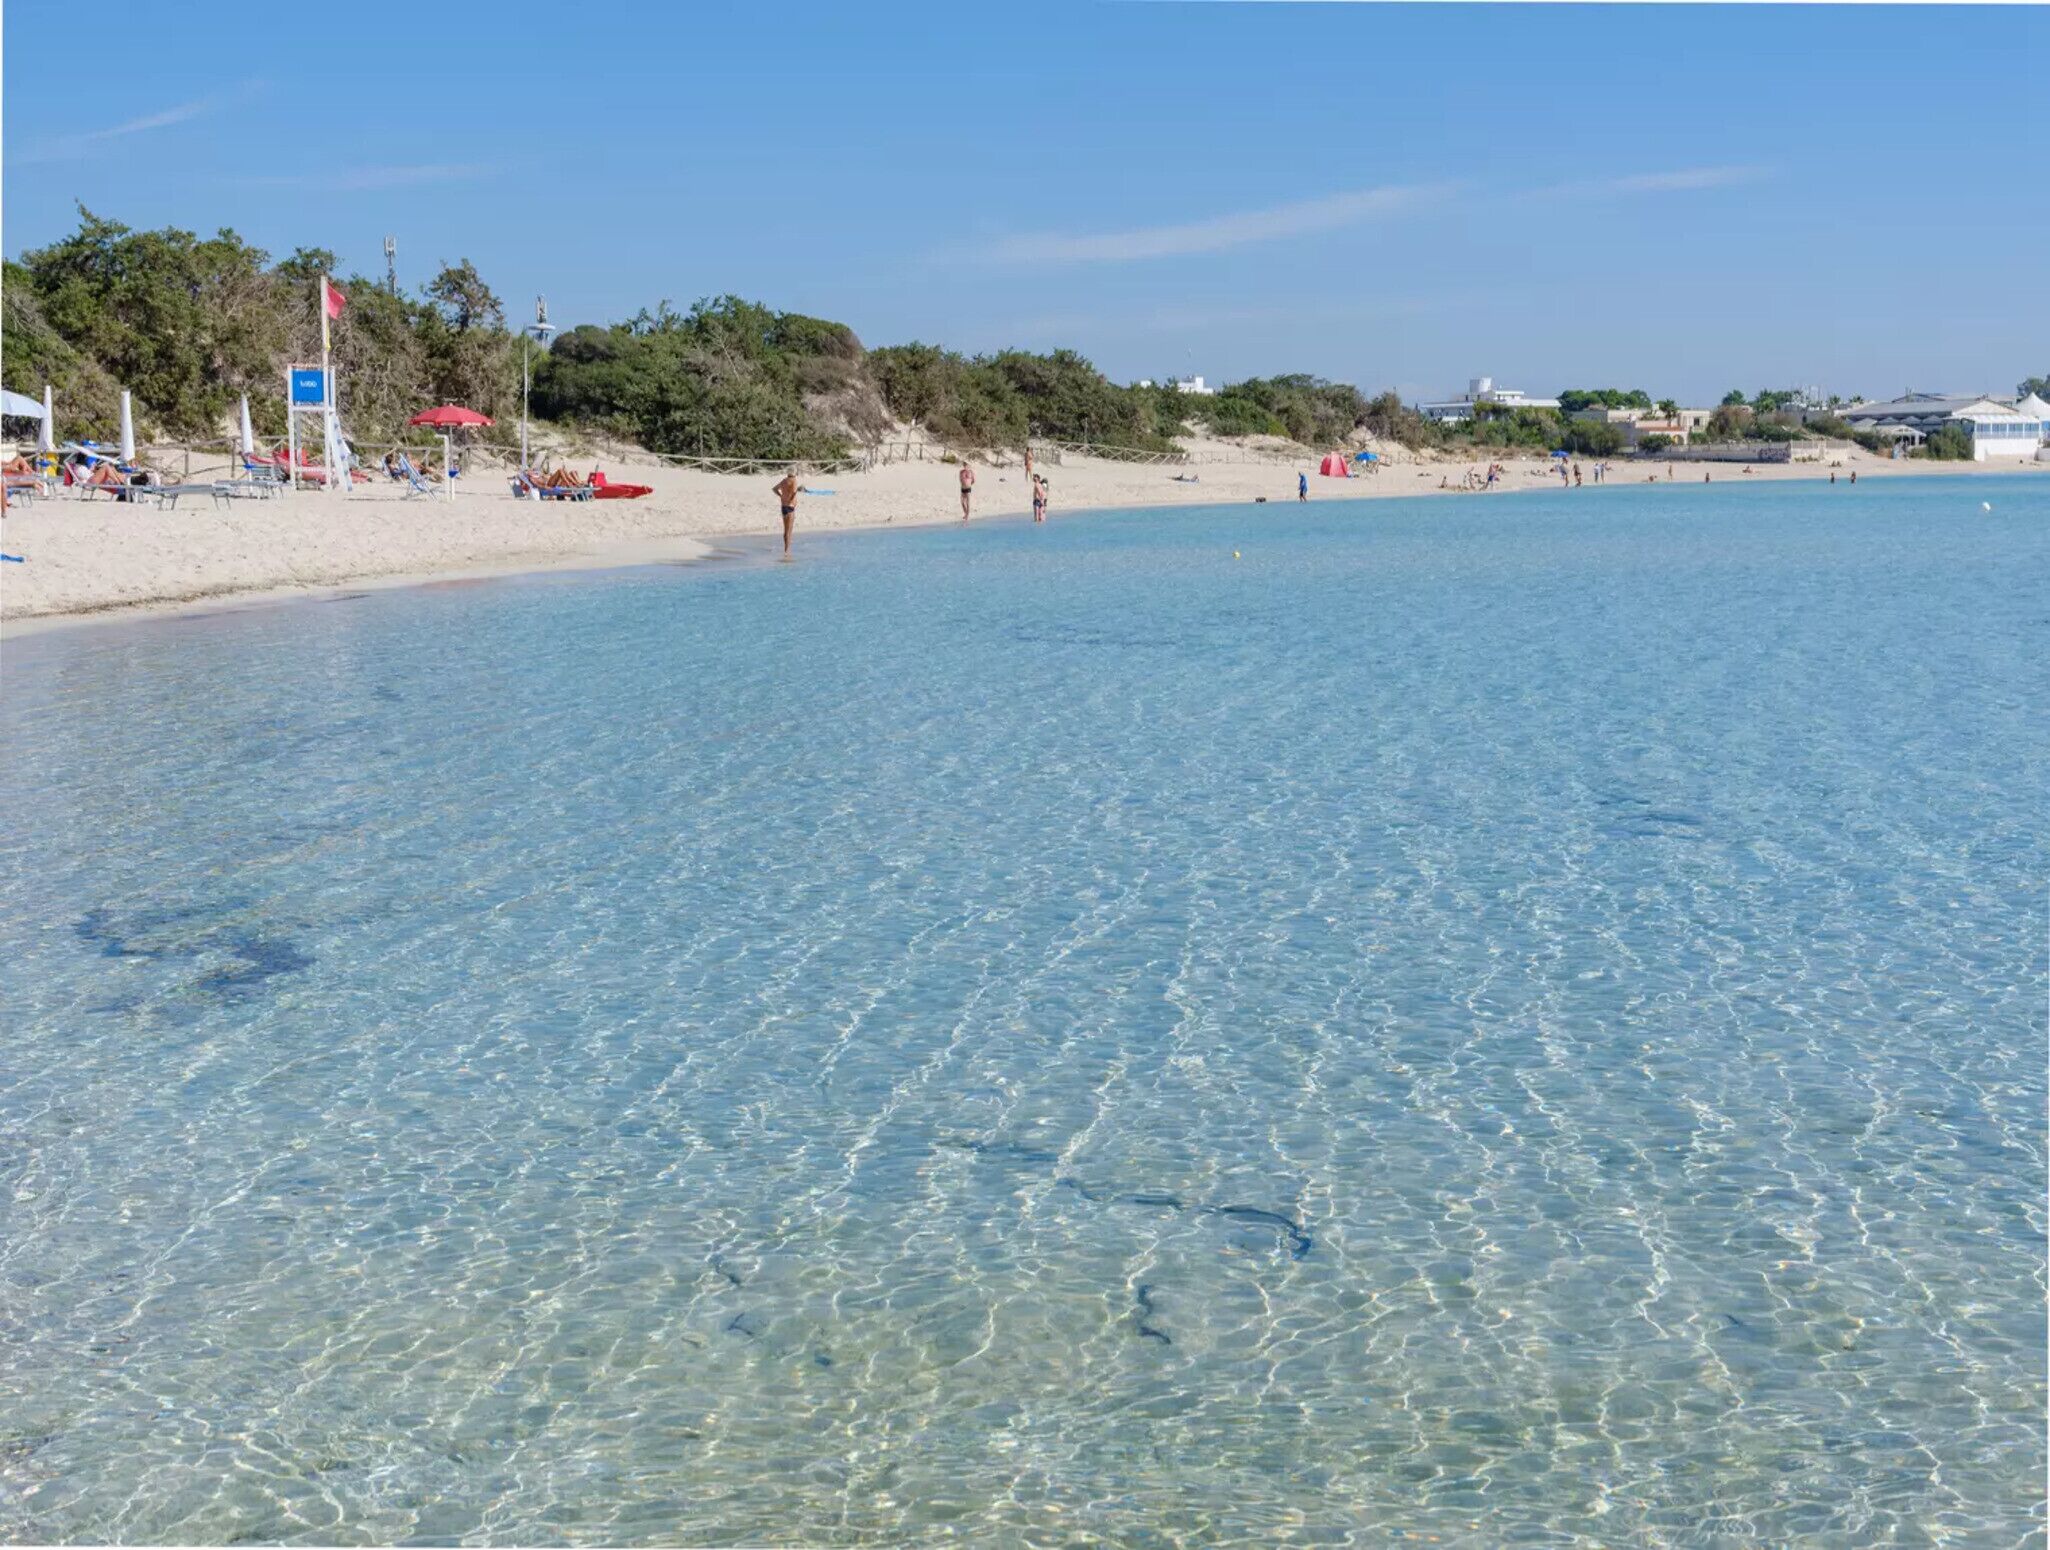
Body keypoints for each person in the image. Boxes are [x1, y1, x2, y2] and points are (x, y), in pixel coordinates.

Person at [771, 469, 801, 555]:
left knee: (785, 530)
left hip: (783, 506)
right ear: (794, 474)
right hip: (790, 507)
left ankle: (786, 549)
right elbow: (794, 492)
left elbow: (774, 489)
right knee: (789, 531)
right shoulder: (794, 480)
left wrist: (781, 496)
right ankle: (787, 551)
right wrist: (791, 500)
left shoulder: (784, 481)